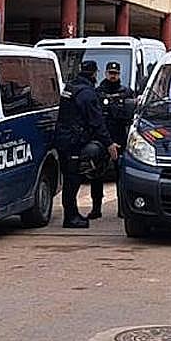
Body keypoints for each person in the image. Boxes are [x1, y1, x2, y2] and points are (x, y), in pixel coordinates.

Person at [54, 60, 118, 228]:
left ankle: (72, 214)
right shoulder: (87, 93)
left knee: (69, 178)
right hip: (73, 142)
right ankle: (71, 217)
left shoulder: (70, 87)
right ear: (95, 73)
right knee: (73, 180)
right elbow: (97, 122)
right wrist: (109, 143)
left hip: (62, 139)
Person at [89, 61, 134, 219]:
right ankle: (96, 208)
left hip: (119, 138)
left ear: (119, 74)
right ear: (106, 73)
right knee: (97, 175)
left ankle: (122, 208)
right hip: (101, 138)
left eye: (115, 73)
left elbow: (131, 116)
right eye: (110, 73)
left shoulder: (126, 92)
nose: (113, 76)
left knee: (121, 175)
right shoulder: (98, 92)